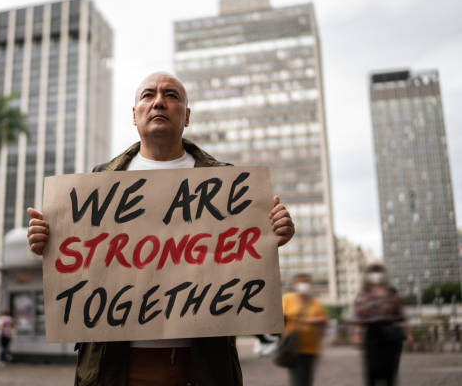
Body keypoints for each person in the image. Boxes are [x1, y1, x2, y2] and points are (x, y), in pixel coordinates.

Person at [27, 72, 296, 386]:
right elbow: (81, 271)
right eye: (148, 95)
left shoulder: (226, 184)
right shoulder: (99, 181)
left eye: (172, 95)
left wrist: (273, 235)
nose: (159, 102)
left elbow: (242, 263)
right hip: (114, 366)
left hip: (202, 367)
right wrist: (47, 243)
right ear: (134, 114)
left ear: (187, 116)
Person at [354, 263, 413, 386]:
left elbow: (401, 316)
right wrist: (357, 336)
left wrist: (409, 334)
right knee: (373, 370)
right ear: (368, 276)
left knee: (390, 371)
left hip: (391, 335)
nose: (376, 276)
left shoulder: (392, 293)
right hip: (372, 334)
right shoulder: (363, 294)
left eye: (378, 272)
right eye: (373, 273)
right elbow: (359, 318)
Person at [281, 273, 328, 386]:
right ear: (295, 284)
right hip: (293, 347)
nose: (304, 285)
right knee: (297, 379)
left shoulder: (314, 301)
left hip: (311, 348)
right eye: (301, 282)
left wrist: (312, 321)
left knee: (307, 379)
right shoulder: (287, 299)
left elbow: (324, 319)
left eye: (306, 282)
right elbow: (280, 317)